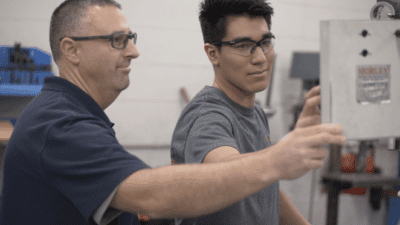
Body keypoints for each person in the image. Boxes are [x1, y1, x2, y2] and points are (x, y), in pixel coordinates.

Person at [0, 0, 345, 225]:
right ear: (71, 50)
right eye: (118, 40)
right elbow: (151, 192)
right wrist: (276, 159)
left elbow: (145, 202)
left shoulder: (79, 116)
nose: (134, 51)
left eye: (265, 42)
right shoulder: (60, 124)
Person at [170, 0, 343, 224]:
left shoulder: (256, 113)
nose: (261, 57)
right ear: (213, 53)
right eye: (243, 45)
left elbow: (264, 187)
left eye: (265, 42)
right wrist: (280, 156)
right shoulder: (208, 115)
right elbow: (228, 173)